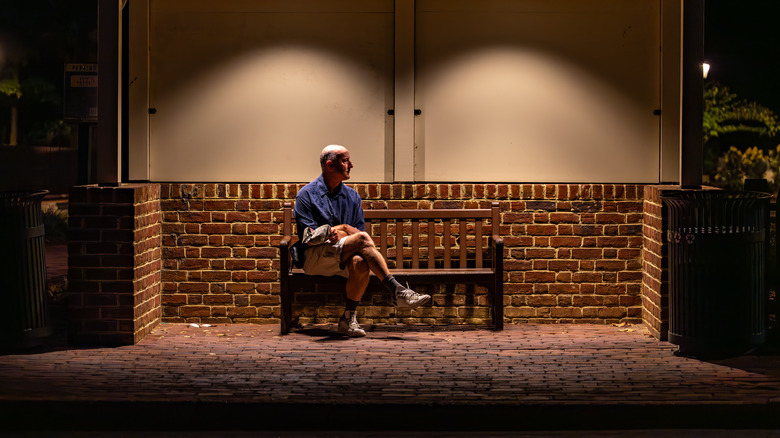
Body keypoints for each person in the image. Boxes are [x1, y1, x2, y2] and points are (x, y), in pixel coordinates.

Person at [294, 144, 431, 337]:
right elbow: (308, 238)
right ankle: (398, 291)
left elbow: (358, 233)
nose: (351, 165)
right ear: (330, 165)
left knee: (360, 262)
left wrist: (343, 231)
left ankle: (348, 319)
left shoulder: (352, 196)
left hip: (343, 255)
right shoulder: (306, 195)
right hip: (315, 258)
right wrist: (339, 229)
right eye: (345, 161)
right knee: (361, 239)